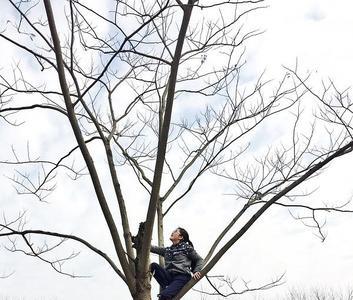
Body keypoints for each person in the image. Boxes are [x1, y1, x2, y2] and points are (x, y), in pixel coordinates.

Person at [150, 227, 203, 300]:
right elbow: (153, 248)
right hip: (168, 277)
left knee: (164, 296)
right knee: (153, 266)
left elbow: (199, 259)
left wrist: (196, 271)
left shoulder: (186, 248)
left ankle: (167, 291)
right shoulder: (168, 250)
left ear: (180, 237)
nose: (172, 232)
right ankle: (167, 288)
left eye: (175, 231)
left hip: (181, 277)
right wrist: (136, 241)